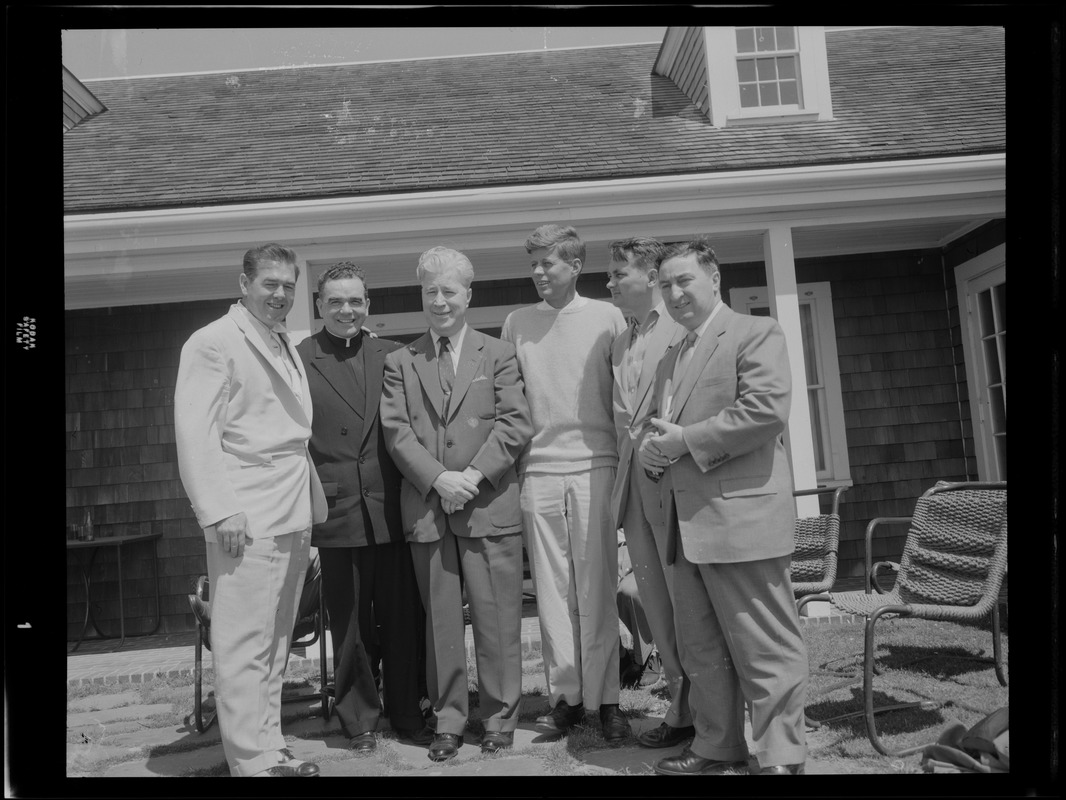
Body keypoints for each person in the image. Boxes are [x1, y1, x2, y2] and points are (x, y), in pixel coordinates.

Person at [639, 237, 808, 776]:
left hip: (742, 520)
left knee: (765, 647)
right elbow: (667, 429)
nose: (674, 292)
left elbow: (764, 412)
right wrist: (652, 450)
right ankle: (717, 747)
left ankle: (781, 755)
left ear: (714, 278)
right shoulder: (673, 353)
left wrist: (682, 442)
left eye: (684, 279)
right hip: (685, 527)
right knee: (703, 649)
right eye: (665, 284)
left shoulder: (756, 333)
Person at [174, 243, 327, 778]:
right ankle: (249, 763)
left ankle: (270, 745)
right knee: (242, 641)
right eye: (270, 284)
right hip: (244, 513)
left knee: (276, 637)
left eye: (288, 285)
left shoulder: (283, 340)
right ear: (244, 285)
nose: (280, 294)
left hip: (290, 505)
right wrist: (220, 512)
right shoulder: (213, 342)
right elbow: (196, 434)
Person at [380, 246, 533, 762]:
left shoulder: (500, 354)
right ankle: (448, 719)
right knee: (440, 624)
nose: (439, 301)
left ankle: (498, 717)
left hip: (488, 504)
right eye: (430, 291)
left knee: (497, 619)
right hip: (429, 509)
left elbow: (516, 424)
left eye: (449, 291)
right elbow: (397, 432)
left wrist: (470, 475)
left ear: (468, 295)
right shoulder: (401, 361)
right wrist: (439, 478)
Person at [294, 262, 434, 755]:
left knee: (401, 619)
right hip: (336, 512)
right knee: (349, 625)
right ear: (318, 305)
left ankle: (407, 711)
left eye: (355, 300)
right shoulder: (298, 359)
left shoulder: (395, 354)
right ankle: (359, 721)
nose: (346, 309)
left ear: (368, 305)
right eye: (335, 301)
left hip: (393, 508)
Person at [500, 223, 631, 745]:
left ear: (574, 266)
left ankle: (608, 701)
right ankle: (567, 699)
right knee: (552, 592)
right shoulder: (516, 322)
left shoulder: (607, 316)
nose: (537, 272)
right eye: (532, 262)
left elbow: (625, 393)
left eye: (547, 263)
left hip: (596, 464)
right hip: (538, 470)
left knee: (596, 587)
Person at [604, 237, 695, 749]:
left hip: (676, 484)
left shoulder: (682, 330)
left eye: (619, 274)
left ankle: (713, 710)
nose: (611, 284)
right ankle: (680, 709)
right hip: (633, 489)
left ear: (649, 274)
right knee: (656, 605)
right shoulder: (620, 340)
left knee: (688, 604)